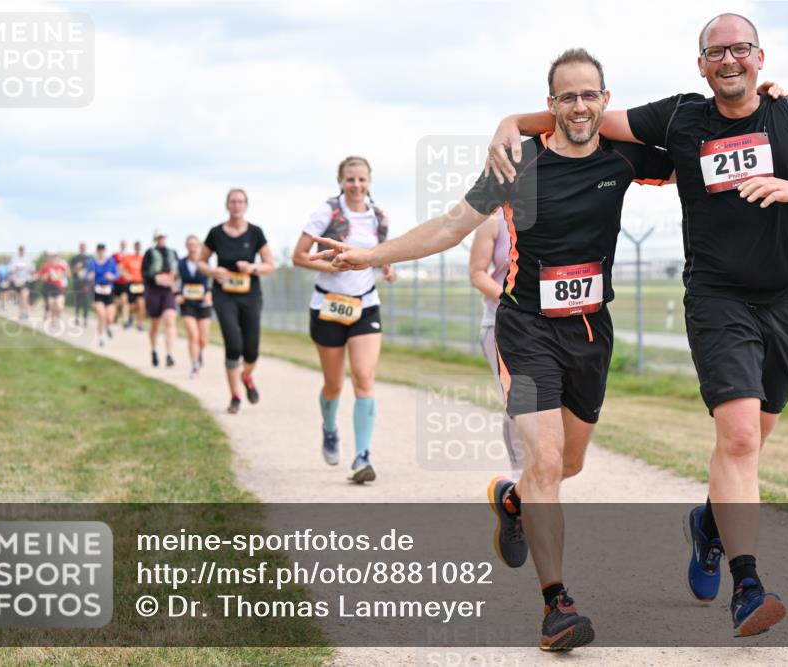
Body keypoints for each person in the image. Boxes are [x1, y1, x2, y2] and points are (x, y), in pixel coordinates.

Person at [486, 13, 788, 638]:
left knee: (753, 437)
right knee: (741, 439)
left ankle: (709, 524)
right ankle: (747, 588)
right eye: (716, 51)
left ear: (760, 56)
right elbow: (581, 115)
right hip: (717, 299)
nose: (729, 60)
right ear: (700, 64)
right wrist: (511, 122)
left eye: (741, 49)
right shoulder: (680, 118)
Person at [312, 49, 673, 651]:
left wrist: (767, 110)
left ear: (604, 101)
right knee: (548, 461)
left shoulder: (624, 156)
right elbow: (450, 226)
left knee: (567, 465)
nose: (580, 107)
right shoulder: (518, 162)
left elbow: (706, 156)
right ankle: (557, 605)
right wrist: (369, 256)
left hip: (589, 332)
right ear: (550, 104)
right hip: (525, 329)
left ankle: (511, 498)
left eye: (591, 95)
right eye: (567, 96)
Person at [293, 156, 397, 484]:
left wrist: (387, 268)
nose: (356, 185)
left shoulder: (379, 216)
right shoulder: (327, 212)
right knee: (334, 383)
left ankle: (362, 457)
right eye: (350, 179)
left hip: (365, 305)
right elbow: (298, 256)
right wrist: (331, 267)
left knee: (364, 378)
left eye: (362, 180)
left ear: (370, 181)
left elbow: (380, 255)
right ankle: (329, 429)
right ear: (341, 181)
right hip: (328, 305)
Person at [197, 188, 276, 414]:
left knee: (251, 350)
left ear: (246, 205)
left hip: (250, 295)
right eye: (233, 202)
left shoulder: (255, 233)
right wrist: (213, 272)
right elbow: (201, 261)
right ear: (227, 205)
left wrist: (252, 267)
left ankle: (246, 376)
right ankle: (235, 395)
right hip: (224, 295)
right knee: (233, 345)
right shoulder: (215, 233)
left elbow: (270, 265)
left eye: (241, 202)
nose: (236, 206)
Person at [468, 209, 526, 482]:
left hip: (546, 324)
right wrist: (514, 302)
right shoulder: (492, 222)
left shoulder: (550, 209)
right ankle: (519, 474)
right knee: (517, 398)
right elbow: (478, 273)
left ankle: (543, 470)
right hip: (501, 322)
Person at [142, 231, 180, 368]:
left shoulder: (173, 253)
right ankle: (154, 350)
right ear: (155, 239)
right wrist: (155, 278)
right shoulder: (149, 253)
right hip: (154, 290)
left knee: (170, 320)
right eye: (159, 237)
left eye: (163, 237)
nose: (161, 239)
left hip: (168, 290)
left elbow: (178, 271)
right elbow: (144, 273)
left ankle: (169, 354)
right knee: (155, 324)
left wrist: (173, 280)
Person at [177, 235, 213, 378]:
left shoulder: (207, 262)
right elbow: (174, 280)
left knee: (203, 339)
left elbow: (213, 279)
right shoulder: (180, 263)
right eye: (189, 244)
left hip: (203, 303)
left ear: (199, 246)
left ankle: (199, 354)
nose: (192, 247)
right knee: (193, 335)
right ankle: (194, 365)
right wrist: (176, 293)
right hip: (187, 303)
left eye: (195, 244)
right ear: (186, 246)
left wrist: (209, 293)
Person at [88, 244, 119, 346]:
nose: (101, 251)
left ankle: (109, 326)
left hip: (108, 290)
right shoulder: (92, 262)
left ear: (105, 250)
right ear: (97, 251)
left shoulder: (110, 262)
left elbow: (117, 274)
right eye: (99, 250)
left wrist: (112, 276)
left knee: (110, 317)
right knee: (102, 315)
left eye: (102, 250)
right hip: (97, 291)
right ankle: (101, 338)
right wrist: (89, 276)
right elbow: (87, 275)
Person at [39, 252, 70, 323]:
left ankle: (57, 315)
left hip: (58, 288)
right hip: (49, 288)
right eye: (53, 256)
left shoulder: (60, 266)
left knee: (59, 305)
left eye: (56, 257)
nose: (55, 258)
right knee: (51, 305)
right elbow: (42, 277)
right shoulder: (46, 266)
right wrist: (48, 274)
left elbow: (67, 275)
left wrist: (63, 272)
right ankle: (52, 319)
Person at [121, 242, 146, 331]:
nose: (138, 248)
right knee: (131, 305)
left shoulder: (144, 259)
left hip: (141, 284)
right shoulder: (129, 258)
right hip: (131, 284)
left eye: (139, 247)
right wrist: (126, 275)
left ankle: (140, 324)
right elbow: (121, 269)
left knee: (141, 303)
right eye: (136, 247)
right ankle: (130, 317)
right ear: (134, 247)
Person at [70, 242, 93, 327]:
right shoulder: (75, 258)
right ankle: (76, 317)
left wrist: (90, 277)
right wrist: (77, 267)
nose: (83, 248)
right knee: (77, 301)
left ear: (86, 248)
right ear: (79, 248)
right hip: (77, 283)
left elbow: (92, 271)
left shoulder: (89, 258)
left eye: (84, 247)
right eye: (81, 247)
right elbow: (72, 270)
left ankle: (85, 319)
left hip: (86, 283)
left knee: (86, 302)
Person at [10, 246, 34, 320]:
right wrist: (15, 273)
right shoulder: (15, 259)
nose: (21, 251)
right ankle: (21, 313)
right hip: (17, 281)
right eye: (20, 250)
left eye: (22, 250)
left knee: (25, 296)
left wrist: (27, 270)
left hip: (26, 280)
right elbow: (12, 269)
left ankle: (26, 312)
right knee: (20, 298)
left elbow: (32, 269)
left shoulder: (28, 258)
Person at [112, 240, 131, 325]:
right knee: (116, 302)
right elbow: (112, 266)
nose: (123, 245)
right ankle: (115, 316)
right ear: (120, 245)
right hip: (116, 281)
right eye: (122, 244)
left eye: (124, 244)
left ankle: (125, 320)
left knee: (124, 300)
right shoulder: (115, 255)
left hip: (125, 282)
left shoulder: (129, 256)